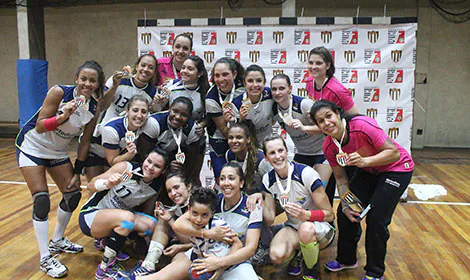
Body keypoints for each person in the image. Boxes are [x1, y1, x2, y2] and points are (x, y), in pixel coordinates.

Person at [15, 60, 104, 278]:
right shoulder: (58, 92)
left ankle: (57, 240)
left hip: (56, 152)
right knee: (42, 200)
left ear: (97, 84)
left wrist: (77, 170)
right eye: (84, 78)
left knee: (73, 195)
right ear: (76, 79)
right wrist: (62, 116)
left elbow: (85, 141)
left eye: (93, 80)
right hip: (32, 146)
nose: (87, 83)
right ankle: (45, 257)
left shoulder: (93, 107)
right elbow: (39, 125)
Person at [310, 100, 414, 280]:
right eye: (321, 121)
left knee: (376, 218)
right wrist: (345, 204)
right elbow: (342, 180)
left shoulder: (362, 126)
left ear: (338, 114)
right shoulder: (329, 146)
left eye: (329, 116)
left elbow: (393, 153)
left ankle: (375, 273)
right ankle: (346, 259)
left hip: (396, 169)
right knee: (347, 212)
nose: (327, 122)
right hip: (370, 171)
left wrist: (366, 161)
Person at [249, 135, 335, 280]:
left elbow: (329, 215)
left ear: (286, 151)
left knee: (306, 229)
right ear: (266, 157)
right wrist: (258, 196)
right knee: (276, 255)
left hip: (320, 227)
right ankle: (300, 254)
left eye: (280, 150)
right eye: (272, 153)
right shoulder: (267, 180)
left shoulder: (305, 173)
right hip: (294, 227)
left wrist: (306, 215)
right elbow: (269, 219)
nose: (277, 156)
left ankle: (312, 273)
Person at [79, 148, 168, 279]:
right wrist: (107, 183)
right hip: (91, 215)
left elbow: (147, 210)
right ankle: (104, 269)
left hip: (119, 218)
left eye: (157, 166)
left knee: (151, 225)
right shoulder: (126, 167)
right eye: (148, 161)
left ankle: (108, 241)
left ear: (163, 170)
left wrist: (142, 233)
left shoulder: (157, 184)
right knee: (127, 218)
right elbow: (90, 185)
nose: (150, 167)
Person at [117, 187, 243, 280]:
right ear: (189, 210)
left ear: (212, 213)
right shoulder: (188, 221)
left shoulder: (218, 225)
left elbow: (238, 244)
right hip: (202, 262)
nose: (198, 219)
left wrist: (222, 264)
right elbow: (178, 225)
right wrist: (207, 233)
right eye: (195, 213)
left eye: (204, 215)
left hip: (226, 265)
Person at [86, 54, 158, 181]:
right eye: (143, 65)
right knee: (95, 187)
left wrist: (158, 104)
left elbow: (150, 119)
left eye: (150, 67)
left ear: (154, 72)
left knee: (111, 188)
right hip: (101, 139)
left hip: (123, 146)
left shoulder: (153, 93)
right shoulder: (120, 80)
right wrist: (114, 85)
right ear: (136, 66)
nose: (146, 69)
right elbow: (101, 106)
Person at [155, 55, 210, 183]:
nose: (184, 71)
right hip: (171, 140)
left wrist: (202, 124)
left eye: (190, 69)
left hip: (195, 140)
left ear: (200, 73)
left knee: (191, 177)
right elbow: (158, 111)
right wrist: (158, 102)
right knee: (169, 178)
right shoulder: (170, 86)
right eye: (183, 67)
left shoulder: (206, 91)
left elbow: (210, 117)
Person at [271, 74, 332, 185]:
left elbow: (326, 128)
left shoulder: (304, 104)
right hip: (302, 153)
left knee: (319, 187)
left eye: (281, 88)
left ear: (290, 89)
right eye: (274, 89)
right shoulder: (274, 110)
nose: (277, 92)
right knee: (295, 187)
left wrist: (304, 128)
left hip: (322, 152)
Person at [140, 97, 200, 182]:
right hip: (153, 160)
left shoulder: (193, 129)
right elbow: (144, 153)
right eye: (175, 111)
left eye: (184, 115)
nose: (178, 117)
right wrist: (166, 167)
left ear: (190, 116)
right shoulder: (154, 123)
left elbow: (191, 159)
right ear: (169, 109)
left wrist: (182, 173)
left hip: (172, 158)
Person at [205, 57, 245, 180]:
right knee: (223, 178)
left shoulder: (244, 87)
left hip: (243, 136)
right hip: (220, 140)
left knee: (244, 177)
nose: (221, 79)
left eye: (225, 74)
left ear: (234, 74)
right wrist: (234, 121)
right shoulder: (211, 98)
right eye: (217, 75)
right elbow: (225, 132)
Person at [305, 46, 359, 116]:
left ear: (328, 65)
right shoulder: (309, 81)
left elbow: (356, 117)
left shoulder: (337, 90)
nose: (313, 67)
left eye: (318, 63)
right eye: (311, 63)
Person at [101, 95, 152, 166]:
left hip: (119, 154)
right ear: (127, 111)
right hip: (97, 152)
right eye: (135, 110)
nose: (139, 115)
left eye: (143, 112)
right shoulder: (112, 129)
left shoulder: (148, 123)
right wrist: (129, 155)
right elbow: (112, 162)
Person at [230, 64, 274, 146]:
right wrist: (241, 119)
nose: (254, 85)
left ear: (264, 82)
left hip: (268, 145)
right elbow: (235, 134)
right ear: (244, 83)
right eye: (250, 81)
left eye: (259, 81)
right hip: (247, 146)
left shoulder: (270, 94)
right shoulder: (236, 104)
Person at [225, 122, 272, 193]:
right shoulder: (229, 155)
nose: (234, 141)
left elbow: (271, 186)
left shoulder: (261, 159)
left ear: (248, 139)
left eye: (239, 137)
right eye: (231, 138)